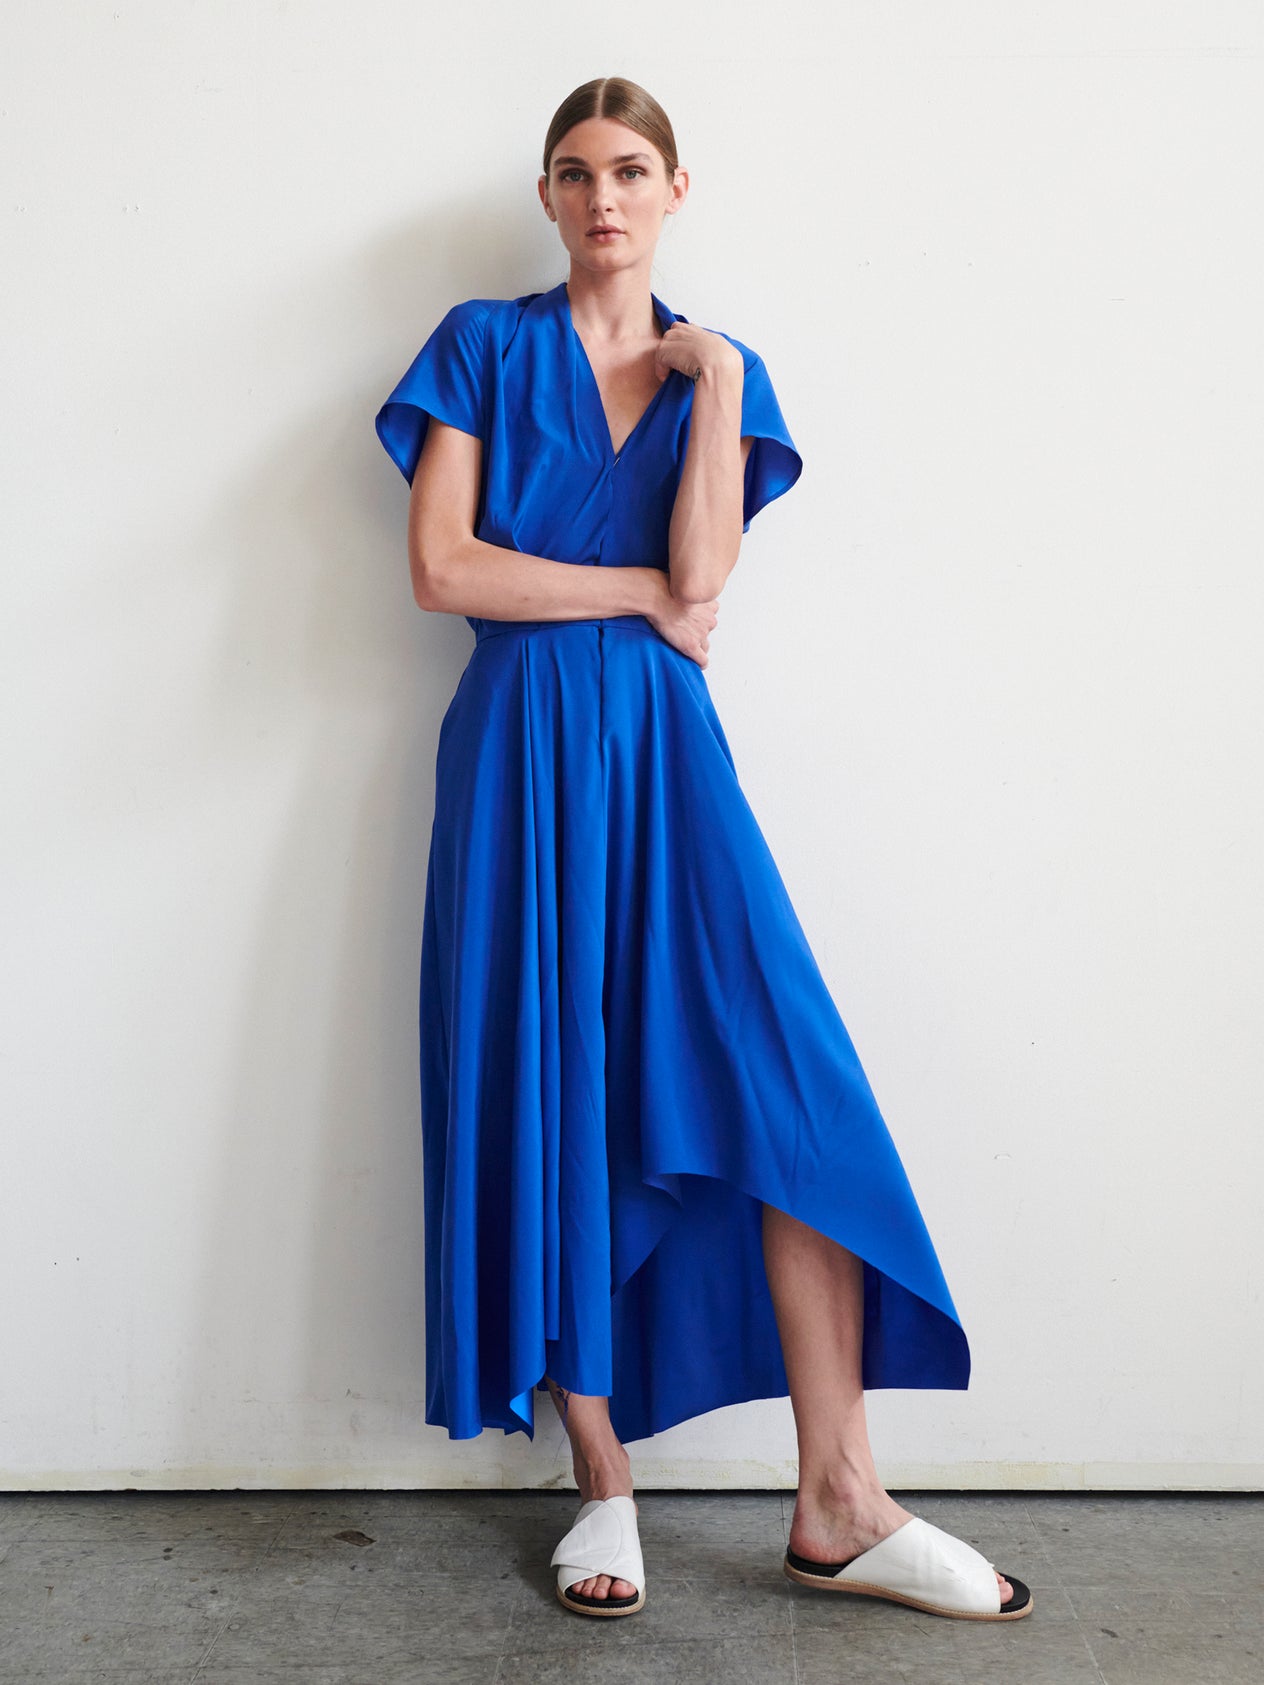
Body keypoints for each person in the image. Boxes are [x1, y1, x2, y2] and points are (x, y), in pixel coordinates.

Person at [375, 76, 1032, 1624]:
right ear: (547, 200)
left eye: (629, 171)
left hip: (668, 769)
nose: (602, 196)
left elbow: (705, 567)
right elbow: (441, 566)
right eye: (573, 173)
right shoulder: (482, 341)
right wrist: (637, 602)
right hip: (521, 761)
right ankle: (602, 1483)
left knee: (787, 1086)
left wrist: (720, 378)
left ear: (678, 189)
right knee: (548, 1097)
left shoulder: (717, 374)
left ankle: (840, 1496)